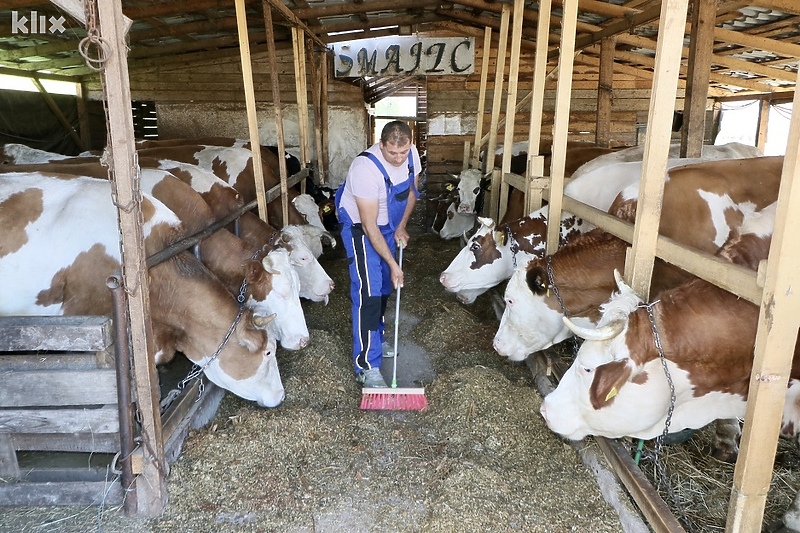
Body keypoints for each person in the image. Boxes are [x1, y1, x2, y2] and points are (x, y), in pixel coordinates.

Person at [334, 121, 422, 388]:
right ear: (381, 144)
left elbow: (411, 193)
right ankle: (367, 365)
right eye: (391, 153)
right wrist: (394, 264)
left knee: (384, 288)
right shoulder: (365, 169)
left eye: (402, 153)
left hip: (388, 226)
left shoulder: (411, 154)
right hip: (362, 229)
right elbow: (369, 225)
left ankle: (377, 338)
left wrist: (402, 226)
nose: (398, 159)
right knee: (369, 291)